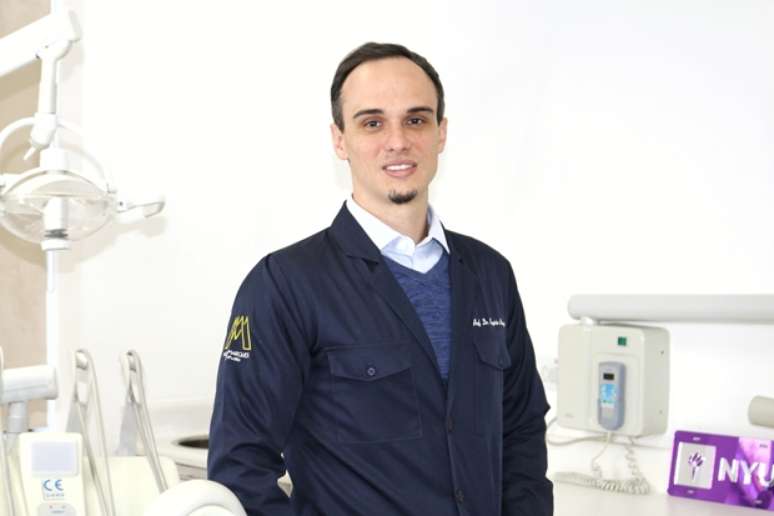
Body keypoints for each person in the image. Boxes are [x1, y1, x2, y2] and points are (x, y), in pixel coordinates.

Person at [208, 42, 553, 516]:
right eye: (372, 123)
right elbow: (240, 466)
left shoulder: (490, 274)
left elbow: (521, 432)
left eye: (416, 120)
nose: (397, 141)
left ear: (441, 133)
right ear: (339, 140)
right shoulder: (285, 285)